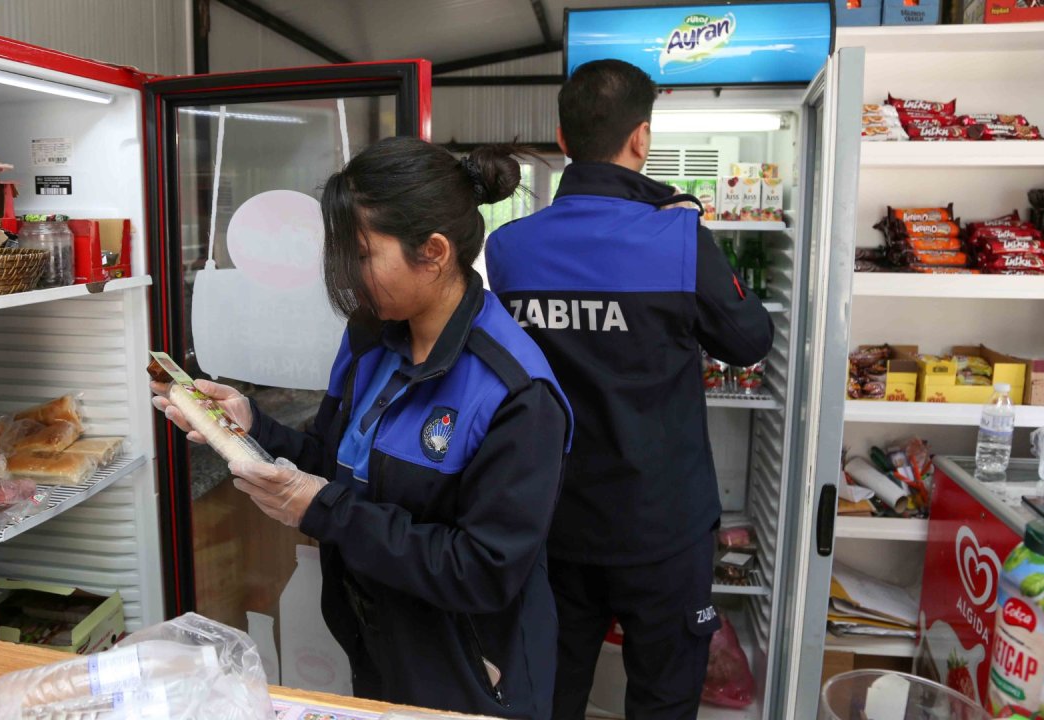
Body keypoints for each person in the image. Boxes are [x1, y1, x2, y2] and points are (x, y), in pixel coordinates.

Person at [152, 136, 572, 719]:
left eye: (363, 254)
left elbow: (482, 572)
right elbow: (335, 460)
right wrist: (254, 429)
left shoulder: (515, 393)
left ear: (434, 251)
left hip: (472, 673)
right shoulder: (372, 339)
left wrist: (321, 508)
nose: (348, 273)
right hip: (377, 640)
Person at [485, 59, 774, 720]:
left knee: (550, 692)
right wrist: (692, 233)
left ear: (562, 139)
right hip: (662, 527)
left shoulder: (509, 249)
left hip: (553, 521)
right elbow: (749, 340)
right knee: (663, 699)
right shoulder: (677, 237)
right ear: (641, 139)